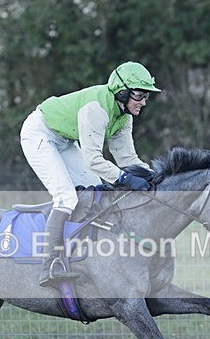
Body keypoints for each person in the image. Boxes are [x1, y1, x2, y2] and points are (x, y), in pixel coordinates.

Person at [20, 61, 161, 287]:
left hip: (64, 140)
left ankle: (84, 257)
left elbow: (127, 159)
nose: (144, 102)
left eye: (146, 96)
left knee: (97, 192)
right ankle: (50, 265)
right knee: (67, 198)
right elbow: (93, 160)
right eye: (139, 95)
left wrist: (154, 177)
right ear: (122, 92)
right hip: (39, 133)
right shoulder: (96, 109)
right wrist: (125, 179)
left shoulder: (124, 117)